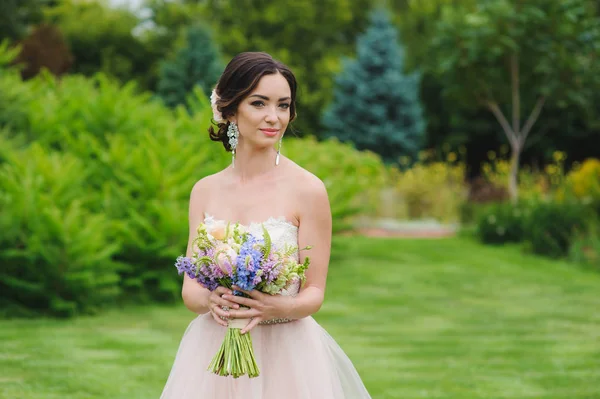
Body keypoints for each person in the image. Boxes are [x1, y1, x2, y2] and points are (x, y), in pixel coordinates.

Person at [160, 52, 371, 399]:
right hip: (212, 352)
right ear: (229, 109)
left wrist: (277, 307)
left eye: (283, 105)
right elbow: (191, 290)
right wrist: (211, 299)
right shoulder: (204, 191)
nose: (274, 117)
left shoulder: (308, 190)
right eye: (259, 103)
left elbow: (314, 292)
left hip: (289, 353)